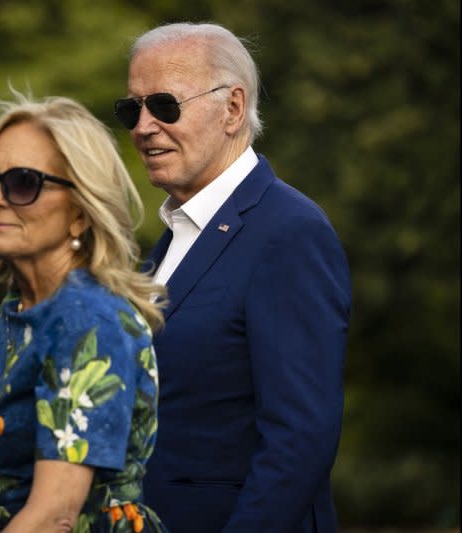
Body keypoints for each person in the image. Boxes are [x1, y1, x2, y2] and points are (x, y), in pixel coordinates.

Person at [112, 22, 352, 532]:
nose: (143, 126)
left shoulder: (289, 232)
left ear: (233, 108)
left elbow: (300, 440)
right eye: (132, 109)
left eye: (165, 105)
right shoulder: (173, 237)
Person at [0, 91, 170, 532]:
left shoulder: (88, 321)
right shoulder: (22, 306)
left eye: (23, 182)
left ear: (80, 215)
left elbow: (55, 514)